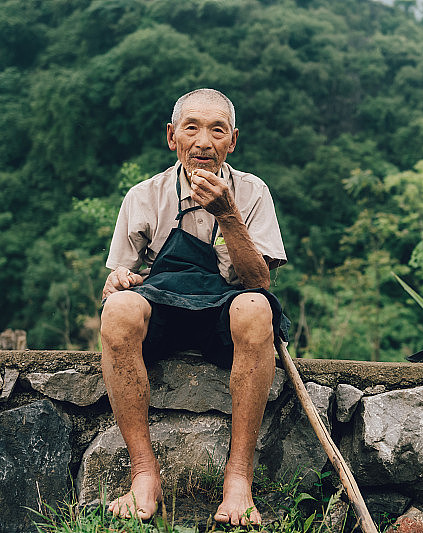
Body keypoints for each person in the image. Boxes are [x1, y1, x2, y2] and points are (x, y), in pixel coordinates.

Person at [100, 88, 287, 526]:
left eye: (216, 130)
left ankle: (238, 480)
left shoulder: (253, 192)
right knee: (120, 310)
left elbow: (260, 282)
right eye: (192, 128)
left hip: (225, 315)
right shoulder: (144, 196)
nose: (204, 142)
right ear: (172, 136)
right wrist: (119, 280)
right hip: (162, 313)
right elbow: (117, 284)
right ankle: (144, 475)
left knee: (256, 307)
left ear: (232, 141)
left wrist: (227, 214)